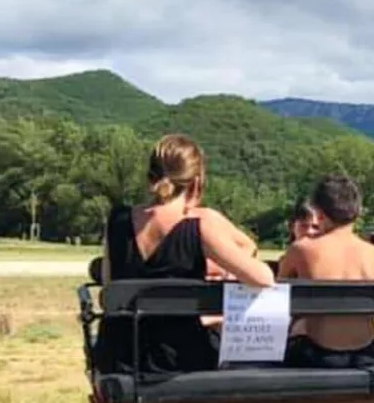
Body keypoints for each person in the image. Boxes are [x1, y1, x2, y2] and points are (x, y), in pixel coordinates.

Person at [93, 134, 274, 375]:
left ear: (151, 176)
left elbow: (109, 286)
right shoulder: (198, 227)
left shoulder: (117, 221)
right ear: (197, 183)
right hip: (178, 360)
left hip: (118, 359)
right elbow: (263, 278)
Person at [277, 173, 374, 367]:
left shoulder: (302, 249)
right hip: (368, 354)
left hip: (317, 354)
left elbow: (276, 301)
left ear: (319, 213)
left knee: (299, 327)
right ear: (357, 211)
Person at [274, 198, 321, 278]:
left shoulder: (328, 261)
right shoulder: (286, 261)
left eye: (315, 227)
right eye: (304, 226)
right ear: (292, 226)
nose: (309, 231)